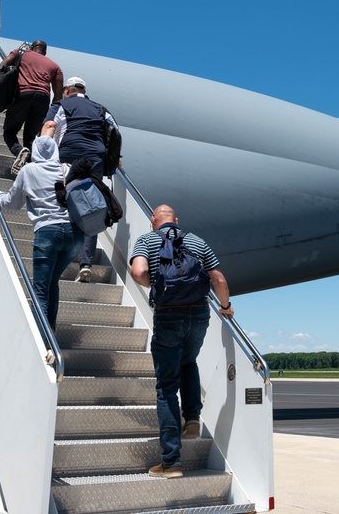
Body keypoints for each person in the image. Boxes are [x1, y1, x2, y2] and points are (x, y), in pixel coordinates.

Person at [129, 204, 234, 479]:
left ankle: (172, 463)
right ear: (176, 220)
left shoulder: (147, 240)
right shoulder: (196, 240)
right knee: (189, 360)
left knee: (165, 388)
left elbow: (138, 272)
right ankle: (192, 417)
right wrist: (225, 306)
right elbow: (218, 278)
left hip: (168, 316)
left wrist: (161, 288)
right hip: (199, 314)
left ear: (154, 221)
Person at [0, 135, 83, 331]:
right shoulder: (67, 168)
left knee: (40, 289)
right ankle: (50, 330)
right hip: (74, 234)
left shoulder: (28, 170)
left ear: (36, 151)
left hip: (48, 231)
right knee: (53, 280)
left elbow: (12, 203)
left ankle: (40, 337)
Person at [42, 76, 118, 283]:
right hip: (95, 157)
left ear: (67, 90)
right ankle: (85, 263)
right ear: (84, 90)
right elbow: (115, 132)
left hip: (68, 155)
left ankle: (58, 255)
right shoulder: (101, 108)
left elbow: (48, 125)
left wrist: (41, 154)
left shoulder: (61, 104)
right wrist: (114, 160)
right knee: (90, 207)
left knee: (62, 202)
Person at [0, 40, 64, 175]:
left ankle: (18, 151)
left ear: (32, 47)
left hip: (22, 94)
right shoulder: (55, 66)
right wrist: (50, 114)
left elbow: (0, 68)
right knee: (30, 137)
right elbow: (58, 94)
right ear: (45, 52)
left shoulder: (21, 53)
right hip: (43, 99)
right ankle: (30, 168)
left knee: (9, 131)